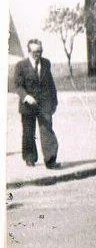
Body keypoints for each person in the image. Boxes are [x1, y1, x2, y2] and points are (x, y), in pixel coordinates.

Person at [14, 39, 59, 168]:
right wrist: (26, 96)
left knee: (47, 130)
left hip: (44, 104)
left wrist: (54, 102)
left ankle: (50, 160)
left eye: (40, 51)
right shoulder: (21, 66)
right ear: (29, 52)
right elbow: (17, 86)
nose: (37, 54)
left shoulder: (46, 63)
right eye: (34, 52)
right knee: (29, 132)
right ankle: (30, 157)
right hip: (28, 105)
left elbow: (50, 84)